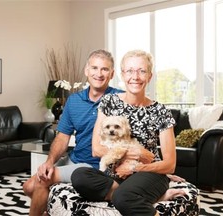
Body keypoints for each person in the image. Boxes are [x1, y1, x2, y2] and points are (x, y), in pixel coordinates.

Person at [71, 49, 184, 216]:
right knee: (79, 176)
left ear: (150, 76)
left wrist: (135, 168)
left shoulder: (161, 111)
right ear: (122, 75)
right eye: (130, 71)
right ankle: (153, 197)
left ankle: (130, 196)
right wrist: (128, 156)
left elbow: (170, 164)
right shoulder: (109, 102)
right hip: (116, 174)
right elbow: (96, 149)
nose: (135, 77)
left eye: (142, 71)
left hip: (150, 172)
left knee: (123, 197)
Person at [23, 49, 124, 215]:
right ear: (86, 71)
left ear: (111, 74)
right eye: (94, 68)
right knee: (28, 187)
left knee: (43, 181)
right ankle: (54, 210)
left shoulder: (119, 99)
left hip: (94, 166)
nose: (99, 73)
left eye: (104, 69)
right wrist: (49, 162)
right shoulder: (74, 100)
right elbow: (62, 137)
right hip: (75, 158)